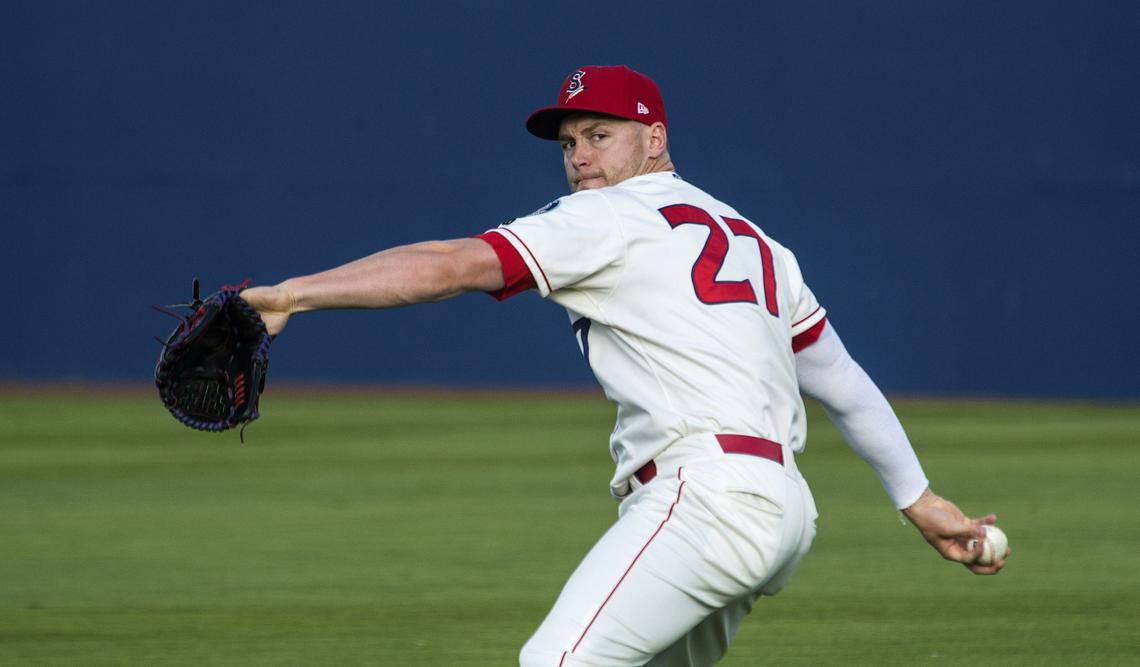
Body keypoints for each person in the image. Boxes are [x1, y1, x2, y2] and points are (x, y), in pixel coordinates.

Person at [241, 65, 1008, 667]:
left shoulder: (606, 217)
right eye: (569, 142)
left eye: (599, 134)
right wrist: (918, 497)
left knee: (555, 659)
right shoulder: (759, 241)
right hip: (780, 510)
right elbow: (841, 379)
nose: (579, 158)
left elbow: (451, 263)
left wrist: (292, 296)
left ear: (655, 138)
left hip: (707, 501)